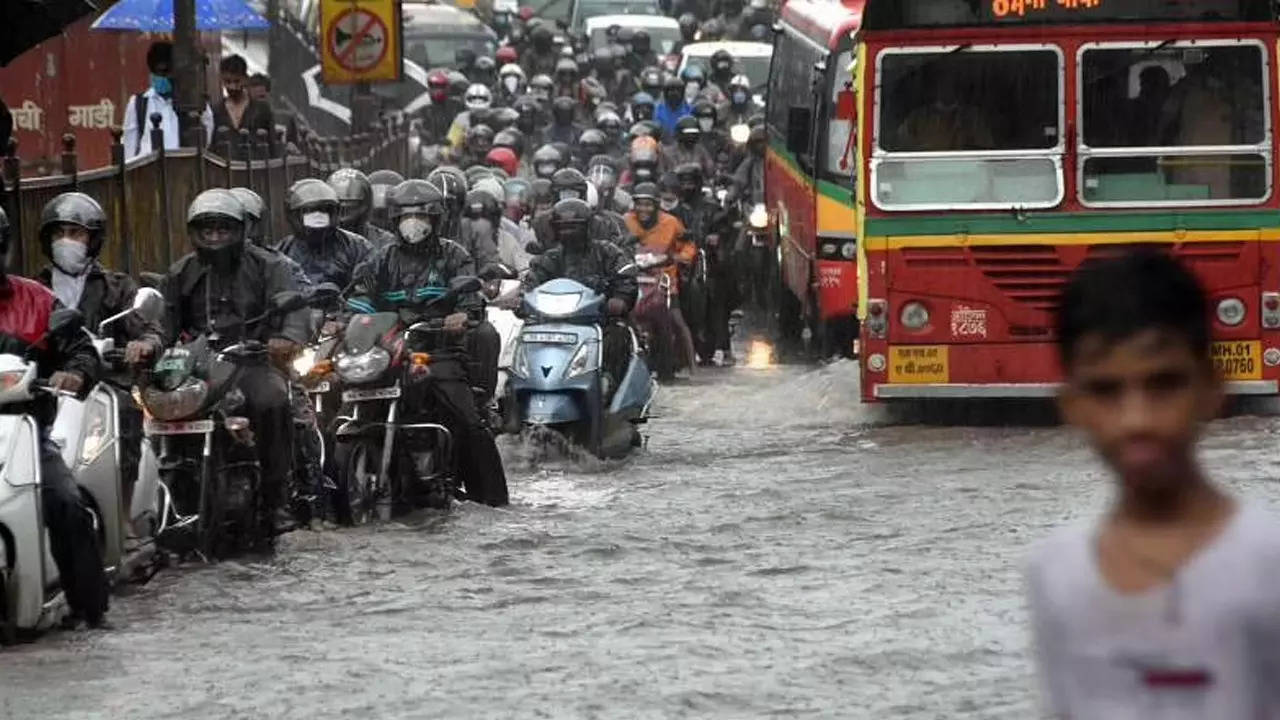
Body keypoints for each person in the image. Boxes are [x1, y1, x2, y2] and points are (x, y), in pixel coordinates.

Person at [1029, 249, 1280, 719]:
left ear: (1213, 387)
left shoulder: (1269, 564)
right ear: (1070, 405)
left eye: (1163, 384)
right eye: (1106, 391)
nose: (1137, 420)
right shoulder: (1054, 574)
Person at [346, 180, 508, 507]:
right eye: (406, 216)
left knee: (468, 420)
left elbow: (470, 298)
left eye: (422, 216)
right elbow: (359, 297)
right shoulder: (381, 258)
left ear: (436, 219)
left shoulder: (454, 255)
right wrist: (342, 319)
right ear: (394, 219)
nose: (414, 223)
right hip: (388, 351)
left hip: (438, 350)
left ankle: (492, 499)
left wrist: (461, 315)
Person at [161, 189, 308, 534]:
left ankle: (276, 499)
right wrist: (149, 345)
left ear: (240, 231)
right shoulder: (181, 272)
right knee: (158, 409)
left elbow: (295, 309)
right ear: (194, 233)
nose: (215, 238)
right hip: (198, 366)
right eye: (207, 230)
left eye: (223, 230)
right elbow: (163, 325)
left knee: (272, 401)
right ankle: (171, 495)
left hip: (252, 360)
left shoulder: (269, 266)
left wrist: (286, 338)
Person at [0, 206, 108, 630]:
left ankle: (90, 606)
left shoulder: (36, 298)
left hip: (23, 429)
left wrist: (75, 372)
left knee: (66, 503)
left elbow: (80, 346)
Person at [35, 193, 164, 531]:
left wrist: (142, 345)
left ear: (93, 239)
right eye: (59, 233)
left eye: (76, 234)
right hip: (48, 384)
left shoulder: (116, 286)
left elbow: (149, 328)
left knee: (125, 412)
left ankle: (121, 516)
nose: (67, 241)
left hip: (106, 383)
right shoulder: (35, 289)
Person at [231, 187, 324, 521]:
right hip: (214, 369)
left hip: (267, 362)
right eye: (217, 227)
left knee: (295, 414)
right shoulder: (193, 270)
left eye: (236, 225)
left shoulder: (277, 265)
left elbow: (302, 307)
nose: (225, 235)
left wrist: (286, 338)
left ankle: (304, 494)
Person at [522, 198, 637, 396]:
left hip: (598, 321)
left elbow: (626, 274)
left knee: (618, 333)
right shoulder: (550, 258)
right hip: (553, 322)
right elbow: (531, 282)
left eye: (574, 227)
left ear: (587, 227)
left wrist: (620, 297)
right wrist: (521, 299)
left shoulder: (607, 252)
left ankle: (607, 382)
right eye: (563, 228)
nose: (568, 233)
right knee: (523, 333)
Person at [625, 182, 697, 380]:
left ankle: (691, 367)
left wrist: (681, 258)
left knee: (676, 319)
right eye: (639, 204)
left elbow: (688, 245)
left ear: (657, 206)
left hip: (664, 279)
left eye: (648, 205)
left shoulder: (672, 223)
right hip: (633, 278)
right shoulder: (625, 222)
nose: (643, 209)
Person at [122, 41, 214, 160]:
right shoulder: (138, 104)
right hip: (149, 172)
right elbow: (129, 149)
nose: (163, 77)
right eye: (158, 72)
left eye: (167, 72)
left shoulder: (192, 102)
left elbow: (207, 139)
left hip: (182, 171)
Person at [277, 179, 374, 289]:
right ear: (293, 216)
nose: (318, 218)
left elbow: (369, 284)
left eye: (325, 210)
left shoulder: (357, 247)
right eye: (309, 211)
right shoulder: (282, 251)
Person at [211, 54, 276, 159]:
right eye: (228, 82)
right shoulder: (216, 111)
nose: (232, 87)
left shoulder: (262, 109)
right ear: (221, 79)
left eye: (237, 81)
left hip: (256, 170)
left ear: (245, 79)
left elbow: (272, 146)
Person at [327, 168, 396, 250]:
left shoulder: (385, 242)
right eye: (339, 208)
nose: (344, 218)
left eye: (350, 208)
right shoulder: (319, 239)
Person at [666, 116, 716, 180]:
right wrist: (693, 167)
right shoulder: (670, 151)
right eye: (688, 133)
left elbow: (710, 170)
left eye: (693, 133)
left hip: (698, 184)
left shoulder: (700, 149)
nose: (691, 136)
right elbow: (673, 172)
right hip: (677, 185)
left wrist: (707, 167)